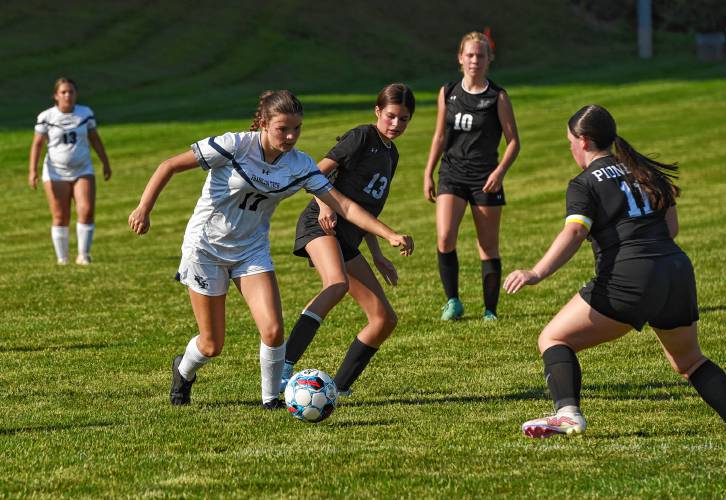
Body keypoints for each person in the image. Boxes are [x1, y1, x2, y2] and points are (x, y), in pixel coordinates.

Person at [127, 90, 413, 409]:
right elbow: (169, 166)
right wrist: (143, 209)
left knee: (274, 330)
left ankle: (270, 400)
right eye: (283, 129)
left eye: (297, 129)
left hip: (251, 250)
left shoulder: (299, 164)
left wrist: (388, 234)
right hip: (206, 249)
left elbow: (344, 204)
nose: (290, 136)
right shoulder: (234, 146)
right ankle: (183, 372)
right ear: (264, 123)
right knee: (211, 344)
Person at [503, 104, 726, 438]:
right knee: (690, 361)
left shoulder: (584, 183)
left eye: (569, 142)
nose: (570, 149)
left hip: (630, 276)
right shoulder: (645, 172)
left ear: (582, 140)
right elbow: (672, 229)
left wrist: (536, 272)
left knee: (553, 338)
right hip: (676, 271)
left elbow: (575, 232)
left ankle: (567, 415)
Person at [281, 83, 415, 396]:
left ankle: (338, 389)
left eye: (404, 119)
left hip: (348, 237)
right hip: (321, 224)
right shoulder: (362, 136)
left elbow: (365, 210)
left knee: (383, 319)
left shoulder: (390, 154)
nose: (396, 124)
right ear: (378, 111)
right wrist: (326, 204)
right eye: (391, 116)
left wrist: (378, 254)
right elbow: (317, 172)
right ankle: (282, 367)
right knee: (336, 283)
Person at [423, 31, 520, 321]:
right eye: (470, 55)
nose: (474, 60)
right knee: (444, 237)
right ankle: (453, 302)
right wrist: (428, 172)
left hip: (484, 178)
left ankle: (490, 310)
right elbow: (440, 135)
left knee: (487, 245)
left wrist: (500, 172)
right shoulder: (448, 91)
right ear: (460, 58)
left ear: (489, 59)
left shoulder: (497, 96)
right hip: (451, 173)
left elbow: (514, 141)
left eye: (480, 55)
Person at [29, 77, 112, 265]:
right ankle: (63, 258)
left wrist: (105, 162)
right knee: (60, 215)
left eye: (71, 92)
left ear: (76, 94)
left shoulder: (85, 113)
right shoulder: (46, 117)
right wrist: (32, 171)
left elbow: (95, 139)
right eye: (64, 92)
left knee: (87, 210)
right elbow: (37, 145)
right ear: (56, 96)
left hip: (83, 169)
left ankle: (83, 255)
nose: (68, 95)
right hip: (55, 172)